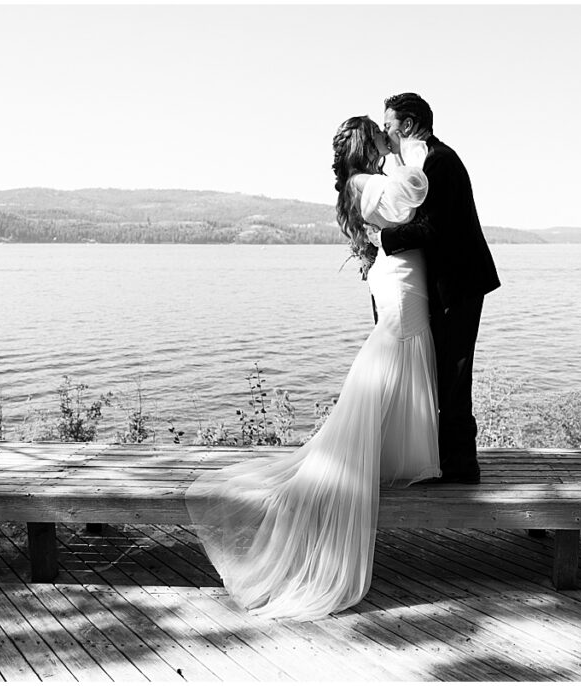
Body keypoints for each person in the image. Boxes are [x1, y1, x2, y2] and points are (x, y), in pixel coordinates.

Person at [185, 115, 440, 621]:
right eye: (379, 135)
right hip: (400, 283)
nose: (385, 140)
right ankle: (351, 467)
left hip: (402, 277)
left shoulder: (361, 183)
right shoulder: (366, 181)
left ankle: (390, 457)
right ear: (368, 144)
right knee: (394, 353)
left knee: (402, 354)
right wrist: (405, 152)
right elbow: (414, 192)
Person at [368, 92, 501, 485]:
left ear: (407, 125)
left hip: (458, 285)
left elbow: (432, 229)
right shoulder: (428, 161)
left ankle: (462, 465)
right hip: (449, 284)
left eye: (389, 126)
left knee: (454, 373)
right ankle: (448, 459)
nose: (386, 133)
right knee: (445, 371)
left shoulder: (440, 162)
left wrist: (383, 240)